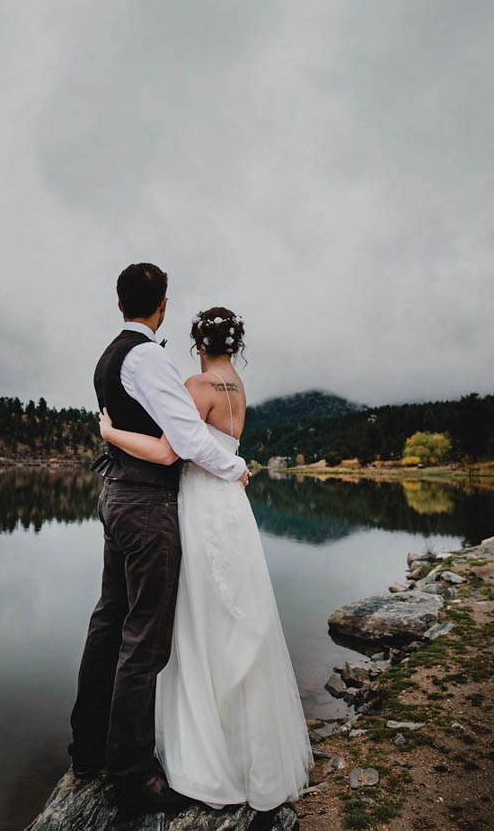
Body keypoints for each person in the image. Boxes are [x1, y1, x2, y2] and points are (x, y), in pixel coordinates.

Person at [98, 306, 314, 811]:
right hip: (232, 511)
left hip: (197, 505)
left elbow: (167, 451)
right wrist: (236, 465)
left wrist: (110, 433)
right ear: (233, 346)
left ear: (199, 343)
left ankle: (205, 757)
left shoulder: (199, 386)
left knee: (195, 622)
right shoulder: (237, 387)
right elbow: (218, 445)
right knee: (234, 616)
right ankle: (251, 752)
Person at [68, 264, 249, 814]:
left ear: (120, 301)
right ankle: (131, 774)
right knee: (143, 639)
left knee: (109, 622)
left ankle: (89, 747)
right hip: (145, 505)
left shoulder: (110, 355)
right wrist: (235, 465)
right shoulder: (146, 357)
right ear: (162, 306)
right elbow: (186, 439)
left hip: (119, 495)